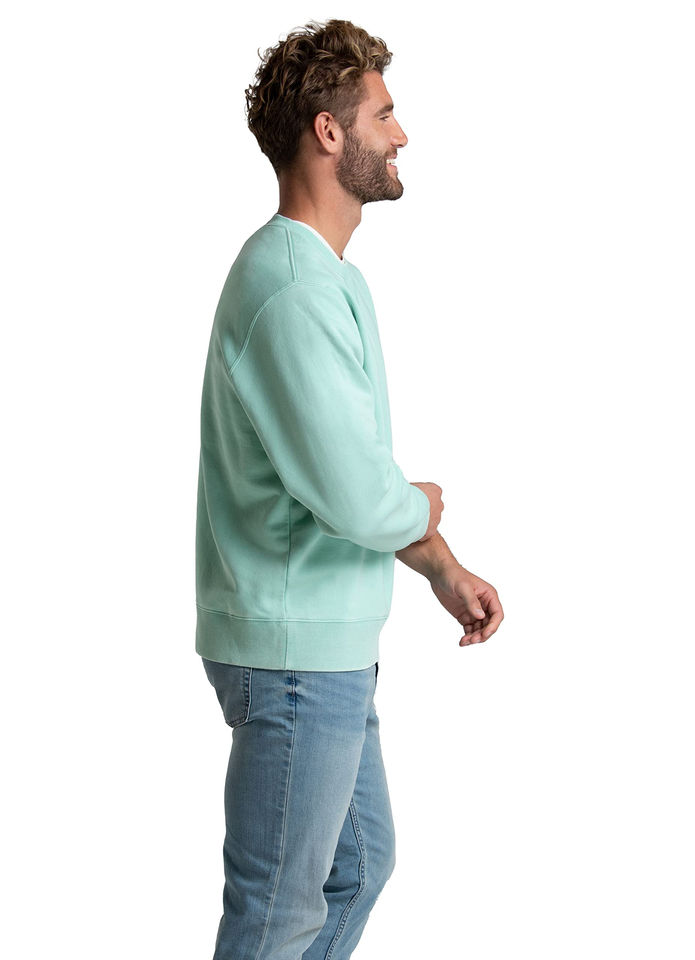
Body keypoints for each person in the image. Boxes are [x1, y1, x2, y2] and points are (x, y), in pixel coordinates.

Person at [195, 18, 504, 960]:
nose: (401, 134)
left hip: (326, 645)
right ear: (329, 133)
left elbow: (348, 472)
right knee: (277, 914)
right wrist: (422, 507)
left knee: (358, 867)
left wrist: (442, 568)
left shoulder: (328, 280)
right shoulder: (293, 288)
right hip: (297, 658)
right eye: (384, 114)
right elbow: (360, 494)